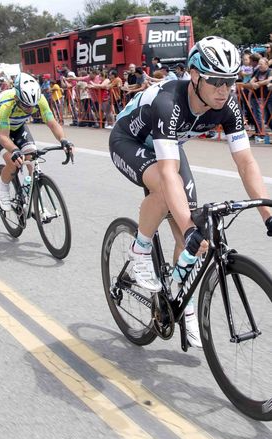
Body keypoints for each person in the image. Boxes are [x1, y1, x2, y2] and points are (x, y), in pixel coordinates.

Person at [109, 36, 272, 348]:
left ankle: (184, 302)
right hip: (129, 142)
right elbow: (168, 173)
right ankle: (140, 248)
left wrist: (267, 215)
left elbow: (246, 162)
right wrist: (186, 226)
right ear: (195, 75)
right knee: (167, 193)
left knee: (192, 238)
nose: (224, 90)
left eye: (230, 81)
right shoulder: (168, 101)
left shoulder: (227, 105)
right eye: (216, 81)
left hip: (168, 147)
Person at [0, 72, 73, 211]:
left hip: (18, 126)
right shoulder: (6, 105)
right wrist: (15, 150)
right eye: (26, 105)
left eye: (32, 106)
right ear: (17, 98)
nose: (30, 109)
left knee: (32, 158)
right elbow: (3, 137)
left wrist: (63, 140)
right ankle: (3, 190)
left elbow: (52, 123)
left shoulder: (40, 99)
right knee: (12, 162)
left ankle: (36, 199)